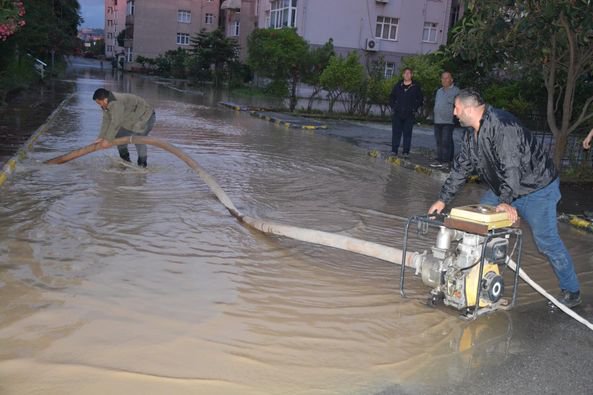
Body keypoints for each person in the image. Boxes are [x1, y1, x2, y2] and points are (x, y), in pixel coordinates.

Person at [428, 89, 582, 308]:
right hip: (506, 189)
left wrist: (506, 202)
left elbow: (512, 167)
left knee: (546, 242)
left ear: (469, 109)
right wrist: (442, 199)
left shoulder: (502, 125)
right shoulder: (472, 133)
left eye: (457, 108)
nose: (454, 113)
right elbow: (461, 168)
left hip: (538, 189)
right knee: (476, 223)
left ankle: (572, 291)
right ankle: (474, 283)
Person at [93, 88, 156, 168]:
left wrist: (107, 139)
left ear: (105, 99)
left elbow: (116, 122)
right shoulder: (106, 105)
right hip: (133, 117)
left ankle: (142, 165)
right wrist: (101, 137)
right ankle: (125, 161)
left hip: (146, 117)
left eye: (99, 103)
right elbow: (106, 120)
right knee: (119, 134)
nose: (100, 105)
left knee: (138, 138)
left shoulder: (116, 103)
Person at [389, 67, 423, 158]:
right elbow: (391, 97)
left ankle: (405, 152)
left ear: (412, 75)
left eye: (409, 73)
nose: (407, 74)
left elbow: (420, 99)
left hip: (409, 115)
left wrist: (414, 108)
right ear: (403, 75)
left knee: (407, 134)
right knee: (396, 133)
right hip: (397, 114)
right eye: (405, 73)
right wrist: (394, 107)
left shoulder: (416, 87)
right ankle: (394, 150)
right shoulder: (398, 85)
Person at [431, 71, 460, 170]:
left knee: (446, 141)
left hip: (448, 121)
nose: (444, 80)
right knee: (439, 141)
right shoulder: (439, 91)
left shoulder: (456, 91)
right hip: (437, 120)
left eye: (447, 78)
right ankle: (439, 159)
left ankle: (446, 161)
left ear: (451, 79)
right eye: (443, 78)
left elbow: (459, 106)